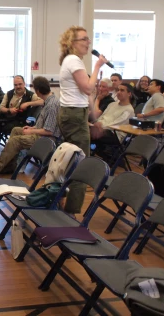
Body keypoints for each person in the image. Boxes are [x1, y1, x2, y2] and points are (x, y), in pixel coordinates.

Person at [57, 25, 108, 214]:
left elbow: (84, 97)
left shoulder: (71, 60)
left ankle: (59, 198)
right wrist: (97, 66)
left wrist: (94, 119)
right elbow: (88, 89)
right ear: (73, 43)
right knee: (80, 164)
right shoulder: (74, 61)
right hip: (73, 115)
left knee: (69, 160)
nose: (88, 43)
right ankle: (71, 211)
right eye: (84, 39)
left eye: (88, 39)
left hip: (73, 114)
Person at [0, 77, 60, 175]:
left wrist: (32, 131)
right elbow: (45, 125)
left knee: (15, 140)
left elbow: (49, 131)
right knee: (16, 130)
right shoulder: (48, 101)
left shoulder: (52, 105)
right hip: (40, 134)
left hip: (46, 140)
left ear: (37, 91)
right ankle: (9, 165)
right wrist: (32, 128)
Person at [90, 82, 136, 147]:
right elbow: (102, 116)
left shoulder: (129, 110)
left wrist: (100, 127)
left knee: (86, 133)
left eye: (122, 90)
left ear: (129, 94)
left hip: (114, 133)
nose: (119, 92)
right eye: (118, 90)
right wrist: (97, 124)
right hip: (102, 128)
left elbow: (116, 124)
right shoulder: (112, 104)